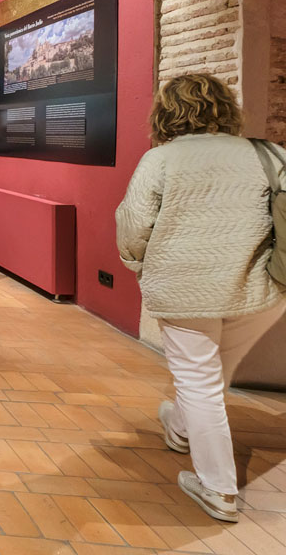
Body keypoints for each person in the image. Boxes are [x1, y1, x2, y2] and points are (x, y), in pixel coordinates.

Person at [116, 73, 286, 523]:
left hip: (185, 289)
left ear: (165, 111)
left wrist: (137, 265)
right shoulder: (268, 154)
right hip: (257, 291)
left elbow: (134, 224)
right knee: (212, 376)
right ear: (226, 108)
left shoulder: (163, 159)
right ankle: (179, 427)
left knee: (199, 381)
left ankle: (218, 488)